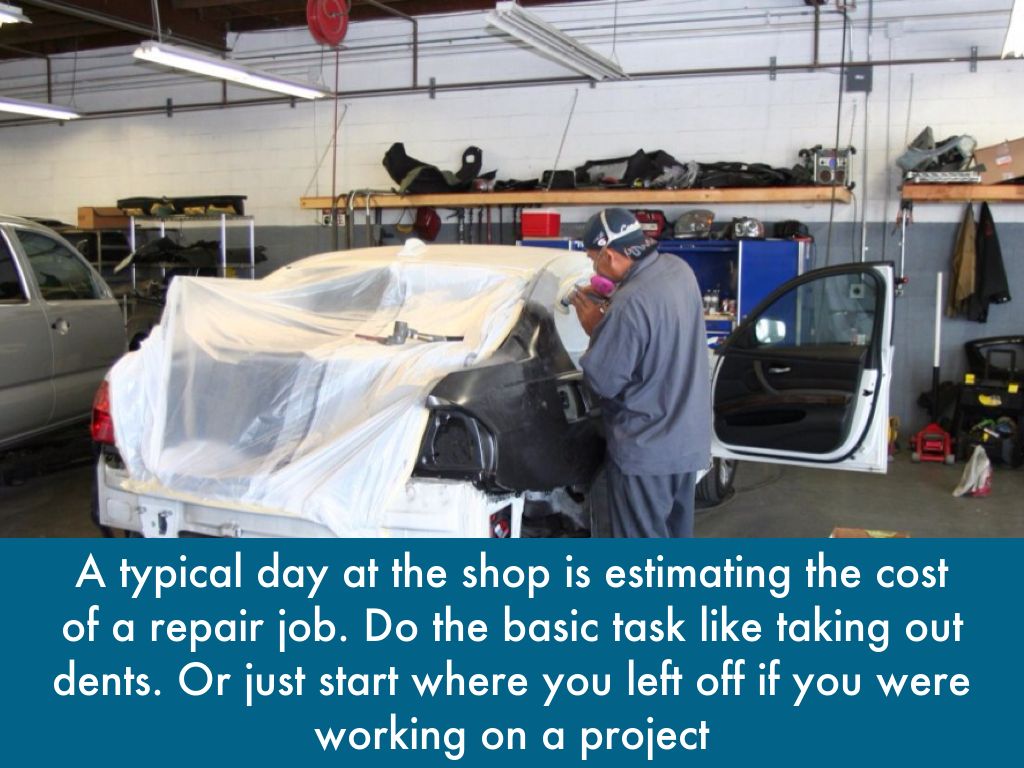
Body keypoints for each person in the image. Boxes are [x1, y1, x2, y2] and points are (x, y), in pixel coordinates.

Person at [570, 208, 711, 538]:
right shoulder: (679, 270)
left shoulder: (629, 304)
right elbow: (657, 332)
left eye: (593, 259)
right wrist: (614, 305)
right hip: (686, 442)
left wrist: (598, 330)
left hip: (647, 452)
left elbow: (603, 382)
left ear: (608, 254)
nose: (594, 268)